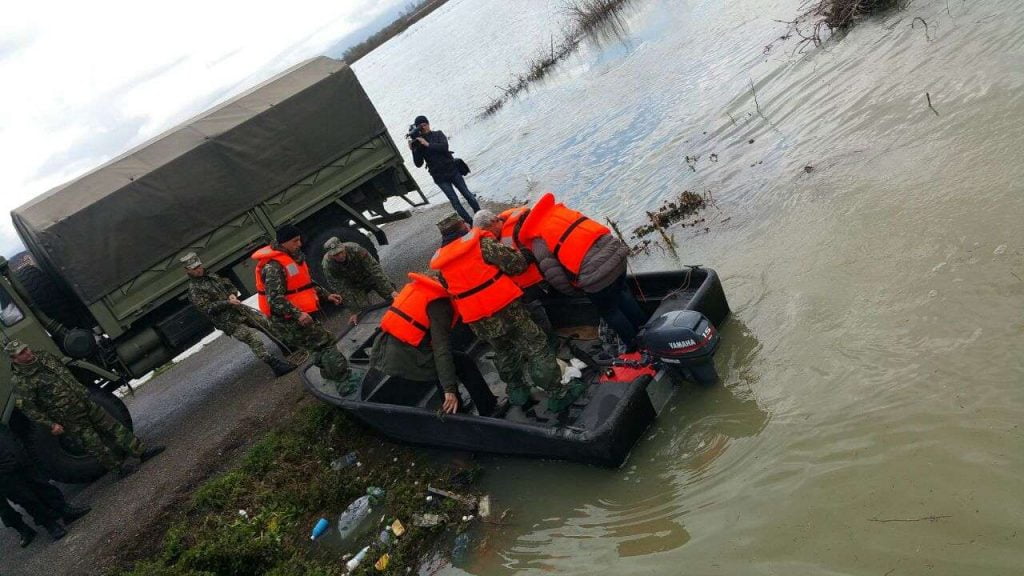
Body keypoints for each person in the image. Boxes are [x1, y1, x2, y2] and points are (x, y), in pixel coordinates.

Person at [429, 214, 586, 413]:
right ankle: (558, 394)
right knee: (537, 346)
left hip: (478, 320)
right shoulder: (482, 245)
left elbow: (450, 287)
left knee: (504, 352)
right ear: (462, 226)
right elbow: (516, 265)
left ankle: (517, 392)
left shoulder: (441, 264)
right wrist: (523, 254)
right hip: (506, 310)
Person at [8, 341, 165, 479]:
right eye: (21, 353)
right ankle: (118, 469)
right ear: (14, 359)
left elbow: (65, 372)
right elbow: (30, 409)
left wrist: (82, 391)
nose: (27, 352)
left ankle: (142, 452)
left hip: (84, 401)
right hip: (68, 417)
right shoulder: (21, 382)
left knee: (114, 427)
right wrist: (51, 424)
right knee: (94, 444)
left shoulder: (44, 357)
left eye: (26, 348)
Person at [516, 192, 649, 348]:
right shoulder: (560, 213)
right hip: (617, 254)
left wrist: (577, 292)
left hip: (595, 276)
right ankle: (647, 331)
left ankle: (636, 346)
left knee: (610, 311)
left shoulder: (538, 240)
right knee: (622, 293)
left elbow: (556, 278)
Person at [369, 272, 498, 416]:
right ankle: (489, 409)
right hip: (403, 358)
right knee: (461, 362)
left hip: (386, 348)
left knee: (443, 363)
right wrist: (449, 389)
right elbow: (441, 349)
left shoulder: (423, 288)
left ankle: (457, 410)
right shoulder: (439, 305)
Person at [252, 225, 359, 392]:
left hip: (294, 315)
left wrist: (326, 295)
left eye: (299, 239)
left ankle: (329, 373)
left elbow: (304, 284)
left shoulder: (292, 257)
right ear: (284, 242)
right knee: (326, 343)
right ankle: (345, 383)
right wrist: (298, 314)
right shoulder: (273, 267)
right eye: (295, 241)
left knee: (316, 346)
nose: (299, 244)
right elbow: (274, 300)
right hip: (287, 320)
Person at [180, 252, 296, 377]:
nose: (198, 270)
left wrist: (232, 293)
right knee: (253, 339)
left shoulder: (212, 276)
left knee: (266, 323)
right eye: (194, 269)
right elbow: (207, 308)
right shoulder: (194, 290)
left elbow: (229, 285)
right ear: (188, 271)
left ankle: (286, 347)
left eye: (199, 266)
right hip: (228, 321)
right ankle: (275, 365)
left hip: (240, 310)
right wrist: (227, 302)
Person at [1, 424, 90, 546]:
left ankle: (64, 510)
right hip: (3, 470)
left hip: (12, 450)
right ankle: (50, 525)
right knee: (25, 497)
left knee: (40, 483)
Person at [472, 208, 554, 336]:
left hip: (537, 279)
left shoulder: (516, 228)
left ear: (494, 221)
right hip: (521, 284)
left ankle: (550, 337)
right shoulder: (494, 240)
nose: (488, 237)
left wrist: (511, 263)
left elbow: (533, 251)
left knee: (534, 308)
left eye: (487, 232)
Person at [409, 115, 480, 224]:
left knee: (467, 194)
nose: (423, 128)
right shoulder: (418, 144)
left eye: (424, 125)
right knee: (455, 201)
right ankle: (471, 223)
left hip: (452, 170)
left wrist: (427, 144)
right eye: (420, 127)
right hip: (439, 177)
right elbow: (418, 164)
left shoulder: (438, 134)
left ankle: (479, 216)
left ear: (428, 124)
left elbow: (443, 147)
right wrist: (413, 150)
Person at [320, 237, 398, 326]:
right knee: (364, 313)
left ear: (343, 247)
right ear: (330, 255)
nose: (340, 256)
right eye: (336, 255)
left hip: (370, 277)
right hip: (354, 286)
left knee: (394, 298)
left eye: (341, 252)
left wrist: (391, 290)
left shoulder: (356, 249)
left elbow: (375, 270)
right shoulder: (328, 266)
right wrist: (354, 311)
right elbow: (341, 289)